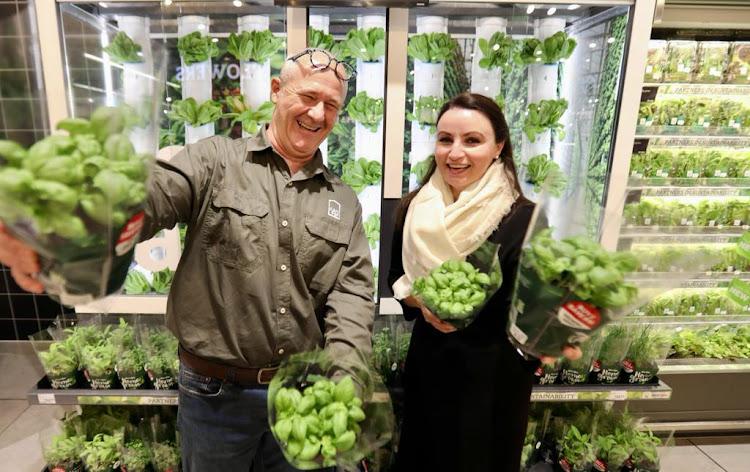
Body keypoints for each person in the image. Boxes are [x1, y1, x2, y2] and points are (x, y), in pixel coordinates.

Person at [0, 47, 375, 472]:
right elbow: (154, 195)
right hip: (216, 397)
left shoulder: (341, 200)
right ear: (276, 90)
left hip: (304, 398)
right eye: (308, 96)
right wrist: (72, 220)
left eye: (331, 105)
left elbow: (353, 295)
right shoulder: (214, 160)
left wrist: (346, 379)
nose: (317, 113)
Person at [388, 93, 580, 471]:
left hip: (493, 380)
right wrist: (421, 304)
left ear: (498, 147)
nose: (455, 153)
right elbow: (397, 281)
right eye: (446, 139)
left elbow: (538, 305)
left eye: (472, 140)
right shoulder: (414, 210)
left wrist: (564, 323)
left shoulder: (521, 218)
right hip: (430, 366)